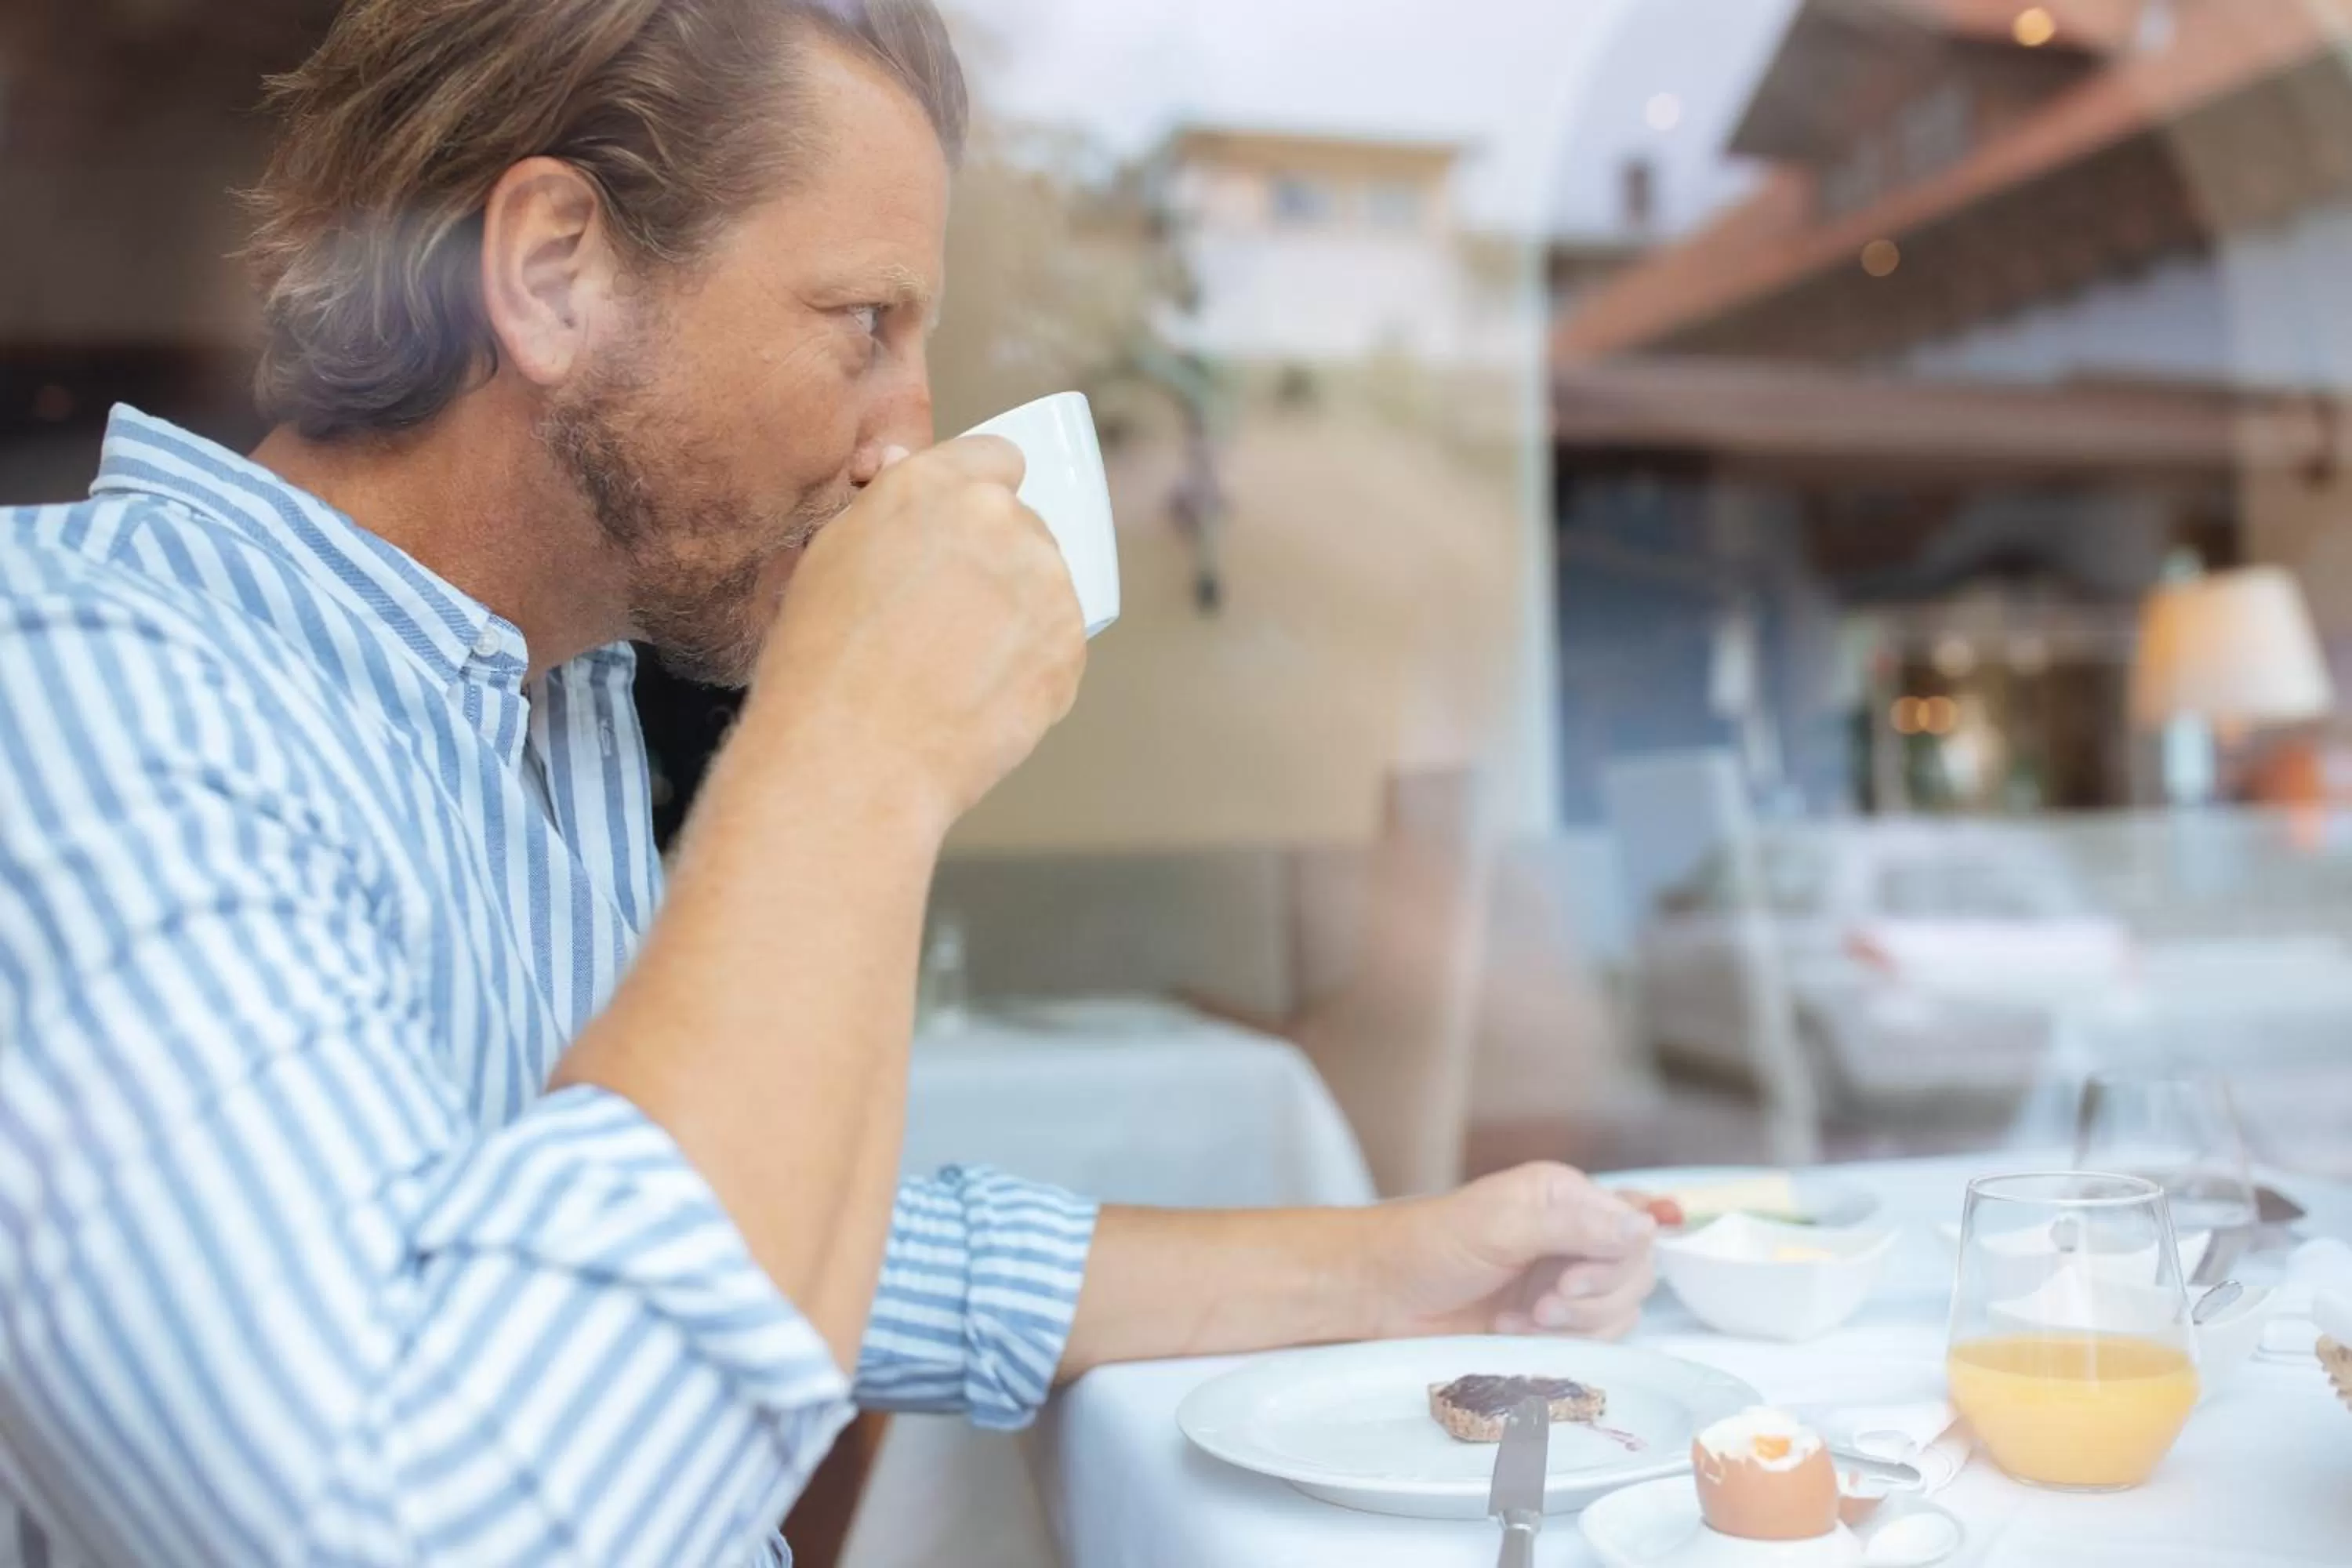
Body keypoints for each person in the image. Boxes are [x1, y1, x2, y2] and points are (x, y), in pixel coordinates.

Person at [0, 2, 1657, 1562]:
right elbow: (436, 1523)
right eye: (867, 324)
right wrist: (859, 740)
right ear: (558, 271)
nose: (908, 435)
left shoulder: (544, 705)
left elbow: (721, 1259)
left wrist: (1398, 1261)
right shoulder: (79, 696)